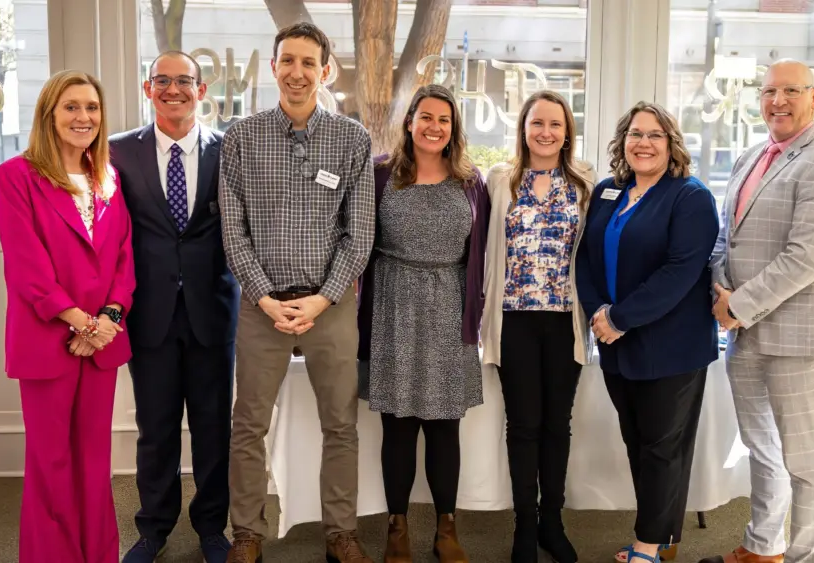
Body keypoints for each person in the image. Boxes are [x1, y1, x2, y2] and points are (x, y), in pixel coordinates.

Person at [219, 22, 375, 563]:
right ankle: (247, 533)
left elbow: (360, 233)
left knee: (341, 425)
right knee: (249, 426)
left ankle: (341, 533)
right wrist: (265, 298)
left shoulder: (352, 139)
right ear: (273, 67)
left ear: (325, 70)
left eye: (309, 62)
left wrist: (322, 298)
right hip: (261, 307)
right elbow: (233, 231)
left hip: (329, 306)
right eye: (288, 61)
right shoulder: (241, 138)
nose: (298, 72)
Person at [702, 58, 814, 563]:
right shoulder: (750, 157)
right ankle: (763, 547)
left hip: (797, 337)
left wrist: (738, 306)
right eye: (769, 91)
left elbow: (806, 256)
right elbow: (726, 237)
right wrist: (721, 292)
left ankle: (804, 558)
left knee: (806, 462)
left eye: (791, 90)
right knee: (761, 449)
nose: (778, 101)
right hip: (744, 336)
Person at [0, 70, 135, 563]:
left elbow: (124, 258)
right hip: (47, 339)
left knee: (94, 462)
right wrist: (83, 323)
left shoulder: (109, 176)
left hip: (100, 341)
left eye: (92, 107)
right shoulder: (16, 175)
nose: (83, 117)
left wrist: (107, 320)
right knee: (51, 462)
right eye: (71, 107)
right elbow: (27, 267)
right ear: (49, 114)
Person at [572, 101, 719, 563]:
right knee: (639, 442)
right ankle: (663, 536)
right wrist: (599, 312)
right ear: (623, 142)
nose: (644, 143)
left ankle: (648, 545)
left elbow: (679, 272)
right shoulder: (608, 190)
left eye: (655, 135)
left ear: (671, 143)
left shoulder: (690, 197)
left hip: (671, 346)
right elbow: (585, 258)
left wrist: (619, 318)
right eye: (636, 134)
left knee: (661, 447)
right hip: (617, 342)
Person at [110, 51, 238, 563]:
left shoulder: (230, 149)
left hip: (213, 310)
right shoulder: (118, 152)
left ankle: (211, 527)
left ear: (201, 90)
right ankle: (153, 528)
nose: (173, 89)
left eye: (184, 81)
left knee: (213, 428)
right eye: (162, 80)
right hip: (150, 312)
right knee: (156, 429)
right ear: (148, 88)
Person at [356, 84, 489, 563]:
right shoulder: (380, 174)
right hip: (393, 309)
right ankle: (397, 527)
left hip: (449, 309)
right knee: (398, 427)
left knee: (444, 428)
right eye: (426, 117)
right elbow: (360, 243)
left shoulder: (471, 181)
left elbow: (480, 254)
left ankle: (446, 528)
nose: (435, 127)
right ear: (410, 121)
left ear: (454, 128)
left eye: (444, 120)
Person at [480, 90, 594, 563]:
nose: (546, 132)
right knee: (523, 425)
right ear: (523, 129)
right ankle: (525, 524)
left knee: (557, 425)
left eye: (555, 124)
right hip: (514, 320)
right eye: (537, 123)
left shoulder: (585, 182)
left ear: (567, 132)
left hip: (565, 321)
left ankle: (553, 522)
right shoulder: (500, 180)